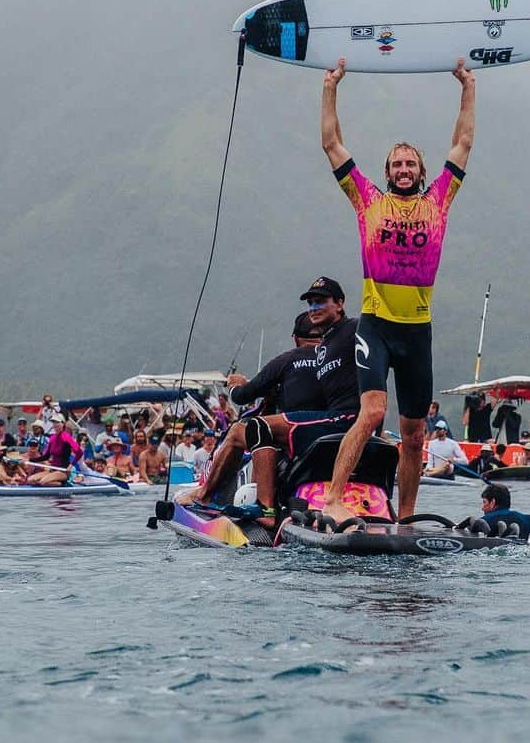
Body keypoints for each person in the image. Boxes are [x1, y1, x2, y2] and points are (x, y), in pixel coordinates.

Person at [320, 55, 475, 523]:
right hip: (377, 325)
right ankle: (332, 500)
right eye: (396, 164)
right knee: (371, 414)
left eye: (410, 163)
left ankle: (405, 518)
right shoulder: (367, 200)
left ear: (421, 170)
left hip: (417, 333)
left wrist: (467, 85)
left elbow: (463, 141)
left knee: (412, 435)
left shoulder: (440, 201)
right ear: (387, 172)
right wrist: (331, 86)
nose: (403, 169)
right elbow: (331, 143)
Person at [185, 277, 361, 525]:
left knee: (254, 427)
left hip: (339, 422)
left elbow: (243, 396)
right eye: (311, 304)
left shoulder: (345, 333)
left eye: (320, 302)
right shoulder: (328, 347)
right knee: (263, 428)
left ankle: (254, 507)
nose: (314, 308)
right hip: (332, 423)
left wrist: (236, 385)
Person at [226, 311, 325, 416]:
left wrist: (234, 386)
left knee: (237, 429)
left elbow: (241, 397)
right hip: (333, 426)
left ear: (296, 339)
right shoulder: (339, 359)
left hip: (293, 427)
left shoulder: (284, 361)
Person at [30, 413, 82, 486]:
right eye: (53, 422)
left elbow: (79, 452)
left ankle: (63, 484)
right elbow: (46, 456)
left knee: (43, 482)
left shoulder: (66, 437)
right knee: (31, 480)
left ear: (63, 424)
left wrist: (70, 466)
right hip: (52, 469)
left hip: (63, 471)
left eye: (57, 422)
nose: (55, 424)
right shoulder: (52, 438)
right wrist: (30, 460)